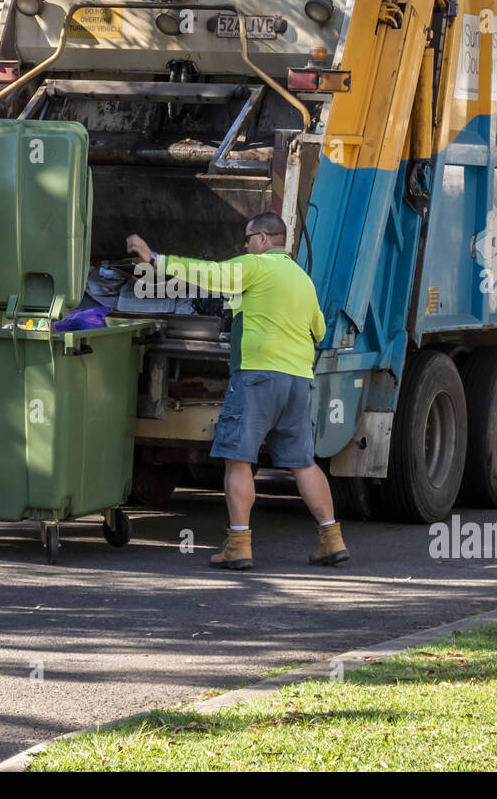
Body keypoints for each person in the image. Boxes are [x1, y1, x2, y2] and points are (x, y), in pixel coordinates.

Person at [126, 213, 349, 570]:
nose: (244, 245)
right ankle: (331, 539)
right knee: (303, 464)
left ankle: (239, 545)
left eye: (247, 238)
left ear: (262, 239)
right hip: (297, 381)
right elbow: (319, 330)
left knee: (239, 459)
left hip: (258, 377)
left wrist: (155, 259)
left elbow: (209, 274)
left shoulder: (257, 266)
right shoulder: (304, 279)